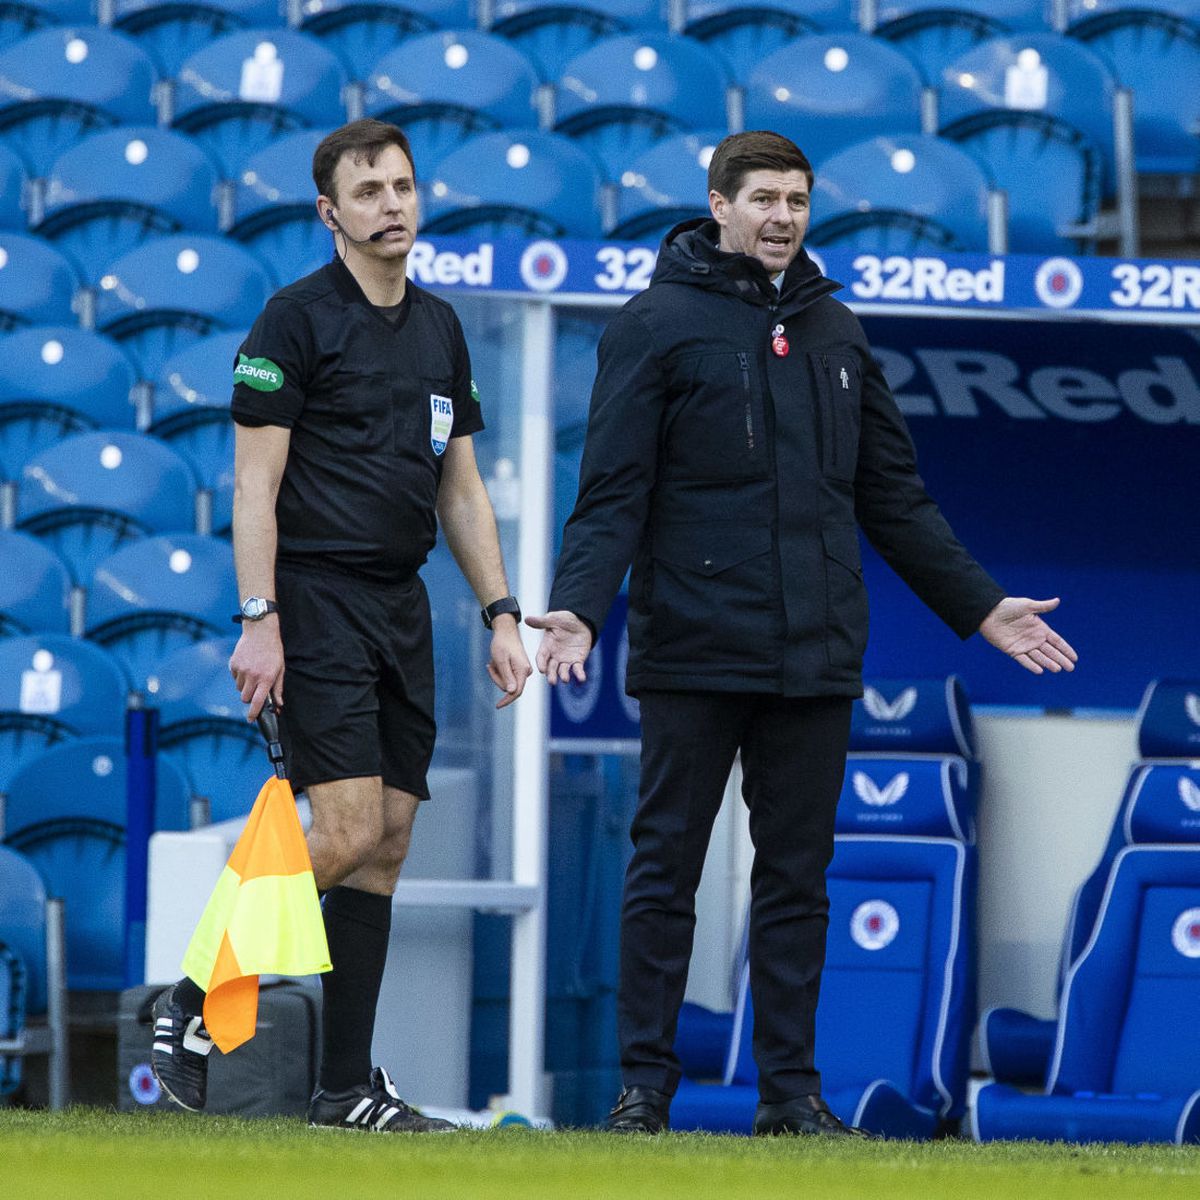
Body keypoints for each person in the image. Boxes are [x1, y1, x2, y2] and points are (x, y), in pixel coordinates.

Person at [526, 130, 1078, 1138]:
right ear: (718, 204)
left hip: (816, 653)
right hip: (694, 647)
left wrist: (979, 604)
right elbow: (613, 492)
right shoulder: (654, 325)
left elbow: (893, 498)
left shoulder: (836, 331)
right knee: (665, 872)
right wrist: (579, 605)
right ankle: (644, 1089)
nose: (783, 216)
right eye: (765, 198)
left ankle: (791, 1095)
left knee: (796, 882)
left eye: (798, 200)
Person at [151, 118, 532, 1132]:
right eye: (369, 193)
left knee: (392, 840)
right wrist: (260, 619)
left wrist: (502, 612)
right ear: (330, 214)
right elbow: (253, 487)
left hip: (401, 605)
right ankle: (189, 1003)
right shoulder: (292, 322)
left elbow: (462, 488)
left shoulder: (443, 328)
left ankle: (344, 1087)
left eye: (403, 186)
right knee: (348, 828)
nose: (393, 205)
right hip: (312, 598)